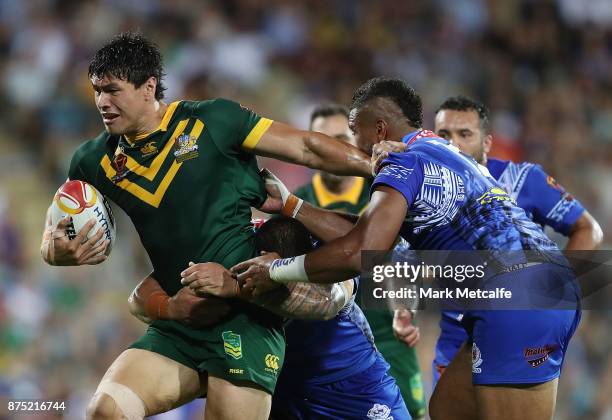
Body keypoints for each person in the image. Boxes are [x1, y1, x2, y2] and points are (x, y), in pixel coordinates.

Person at [39, 32, 372, 420]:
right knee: (105, 411)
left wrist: (373, 164)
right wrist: (56, 251)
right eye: (97, 91)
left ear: (148, 87)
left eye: (112, 90)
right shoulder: (92, 160)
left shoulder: (213, 120)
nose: (101, 102)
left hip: (245, 318)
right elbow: (54, 233)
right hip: (181, 322)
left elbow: (306, 147)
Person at [231, 77, 581, 420]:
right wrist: (293, 205)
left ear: (379, 129)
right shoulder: (444, 152)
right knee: (447, 410)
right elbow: (371, 236)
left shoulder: (402, 164)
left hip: (514, 300)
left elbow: (359, 254)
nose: (355, 142)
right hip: (539, 287)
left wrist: (276, 271)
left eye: (355, 130)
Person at [135, 216, 411, 419]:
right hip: (279, 389)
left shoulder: (325, 255)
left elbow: (332, 300)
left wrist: (242, 288)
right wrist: (169, 306)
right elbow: (140, 294)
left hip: (354, 388)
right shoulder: (235, 251)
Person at [431, 95, 603, 397]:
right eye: (444, 135)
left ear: (486, 143)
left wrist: (552, 286)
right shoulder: (425, 187)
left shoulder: (523, 180)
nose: (453, 144)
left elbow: (589, 229)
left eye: (465, 134)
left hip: (513, 339)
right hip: (455, 342)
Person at [293, 103, 426, 419]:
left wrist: (402, 308)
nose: (330, 147)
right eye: (321, 139)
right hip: (328, 347)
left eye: (339, 137)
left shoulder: (384, 189)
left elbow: (403, 256)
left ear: (354, 142)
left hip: (387, 335)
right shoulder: (295, 201)